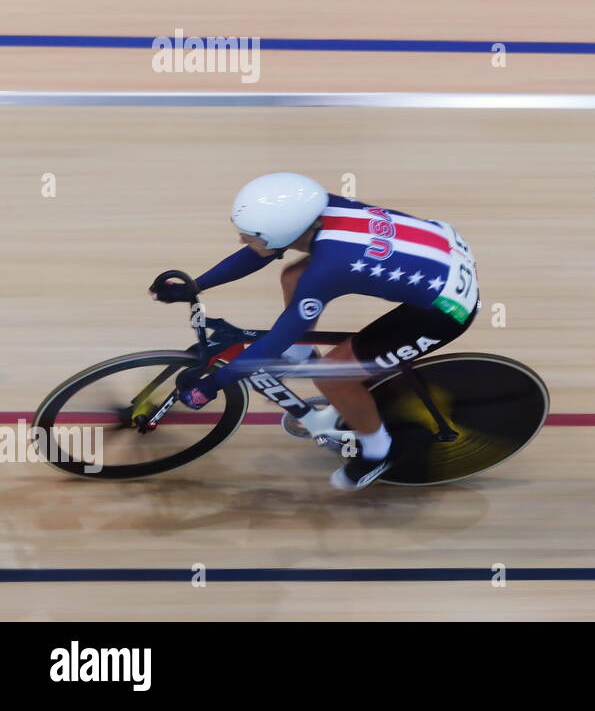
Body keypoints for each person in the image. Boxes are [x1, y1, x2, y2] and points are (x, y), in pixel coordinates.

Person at [149, 173, 479, 490]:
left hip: (445, 310)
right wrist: (196, 286)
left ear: (282, 232)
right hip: (444, 249)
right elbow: (260, 253)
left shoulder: (329, 268)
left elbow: (280, 334)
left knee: (331, 376)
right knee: (293, 276)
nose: (242, 240)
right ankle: (299, 355)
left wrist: (214, 385)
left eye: (251, 234)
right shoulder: (319, 207)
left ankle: (379, 451)